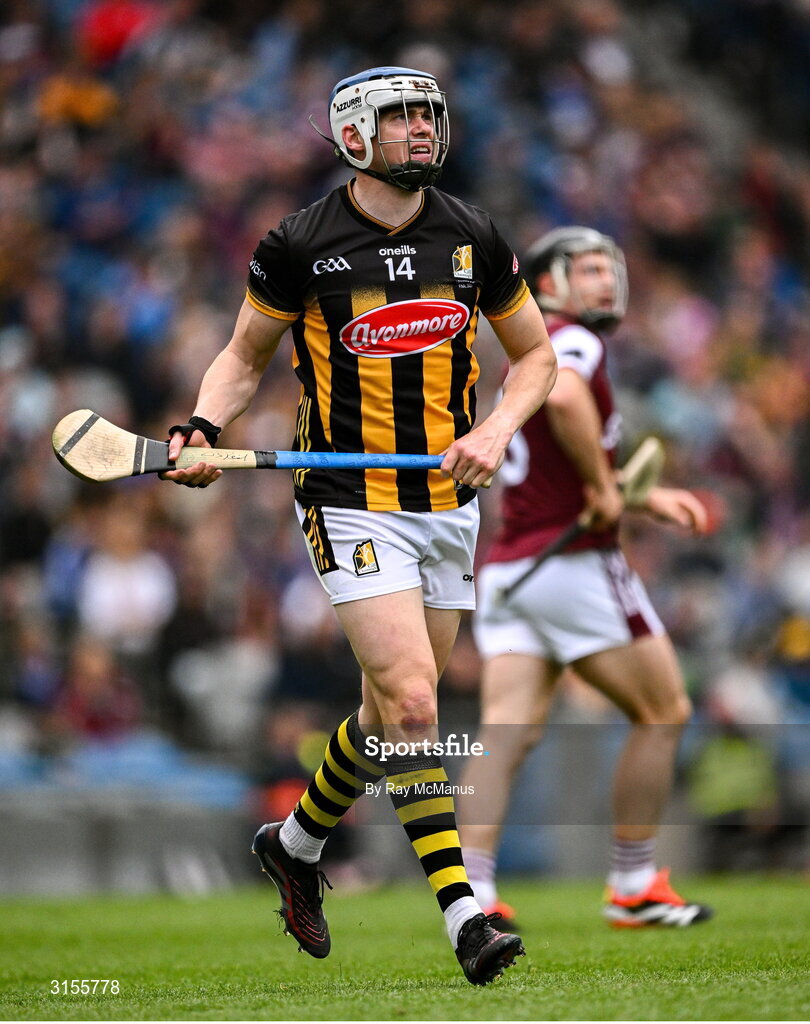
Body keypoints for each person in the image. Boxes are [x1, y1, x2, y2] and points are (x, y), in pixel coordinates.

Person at [161, 67, 557, 984]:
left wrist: (496, 428)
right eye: (401, 118)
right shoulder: (298, 244)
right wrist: (200, 428)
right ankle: (465, 914)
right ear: (352, 136)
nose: (423, 131)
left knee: (388, 717)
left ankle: (295, 844)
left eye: (429, 115)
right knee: (416, 702)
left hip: (448, 503)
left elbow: (534, 358)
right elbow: (242, 355)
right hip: (347, 493)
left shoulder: (472, 234)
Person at [457, 226, 715, 929]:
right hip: (572, 564)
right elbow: (567, 399)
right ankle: (633, 883)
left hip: (512, 569)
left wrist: (638, 494)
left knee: (504, 733)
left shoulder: (531, 350)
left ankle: (471, 896)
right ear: (547, 285)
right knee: (665, 712)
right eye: (588, 268)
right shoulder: (570, 339)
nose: (606, 279)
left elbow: (553, 458)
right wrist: (606, 485)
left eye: (610, 267)